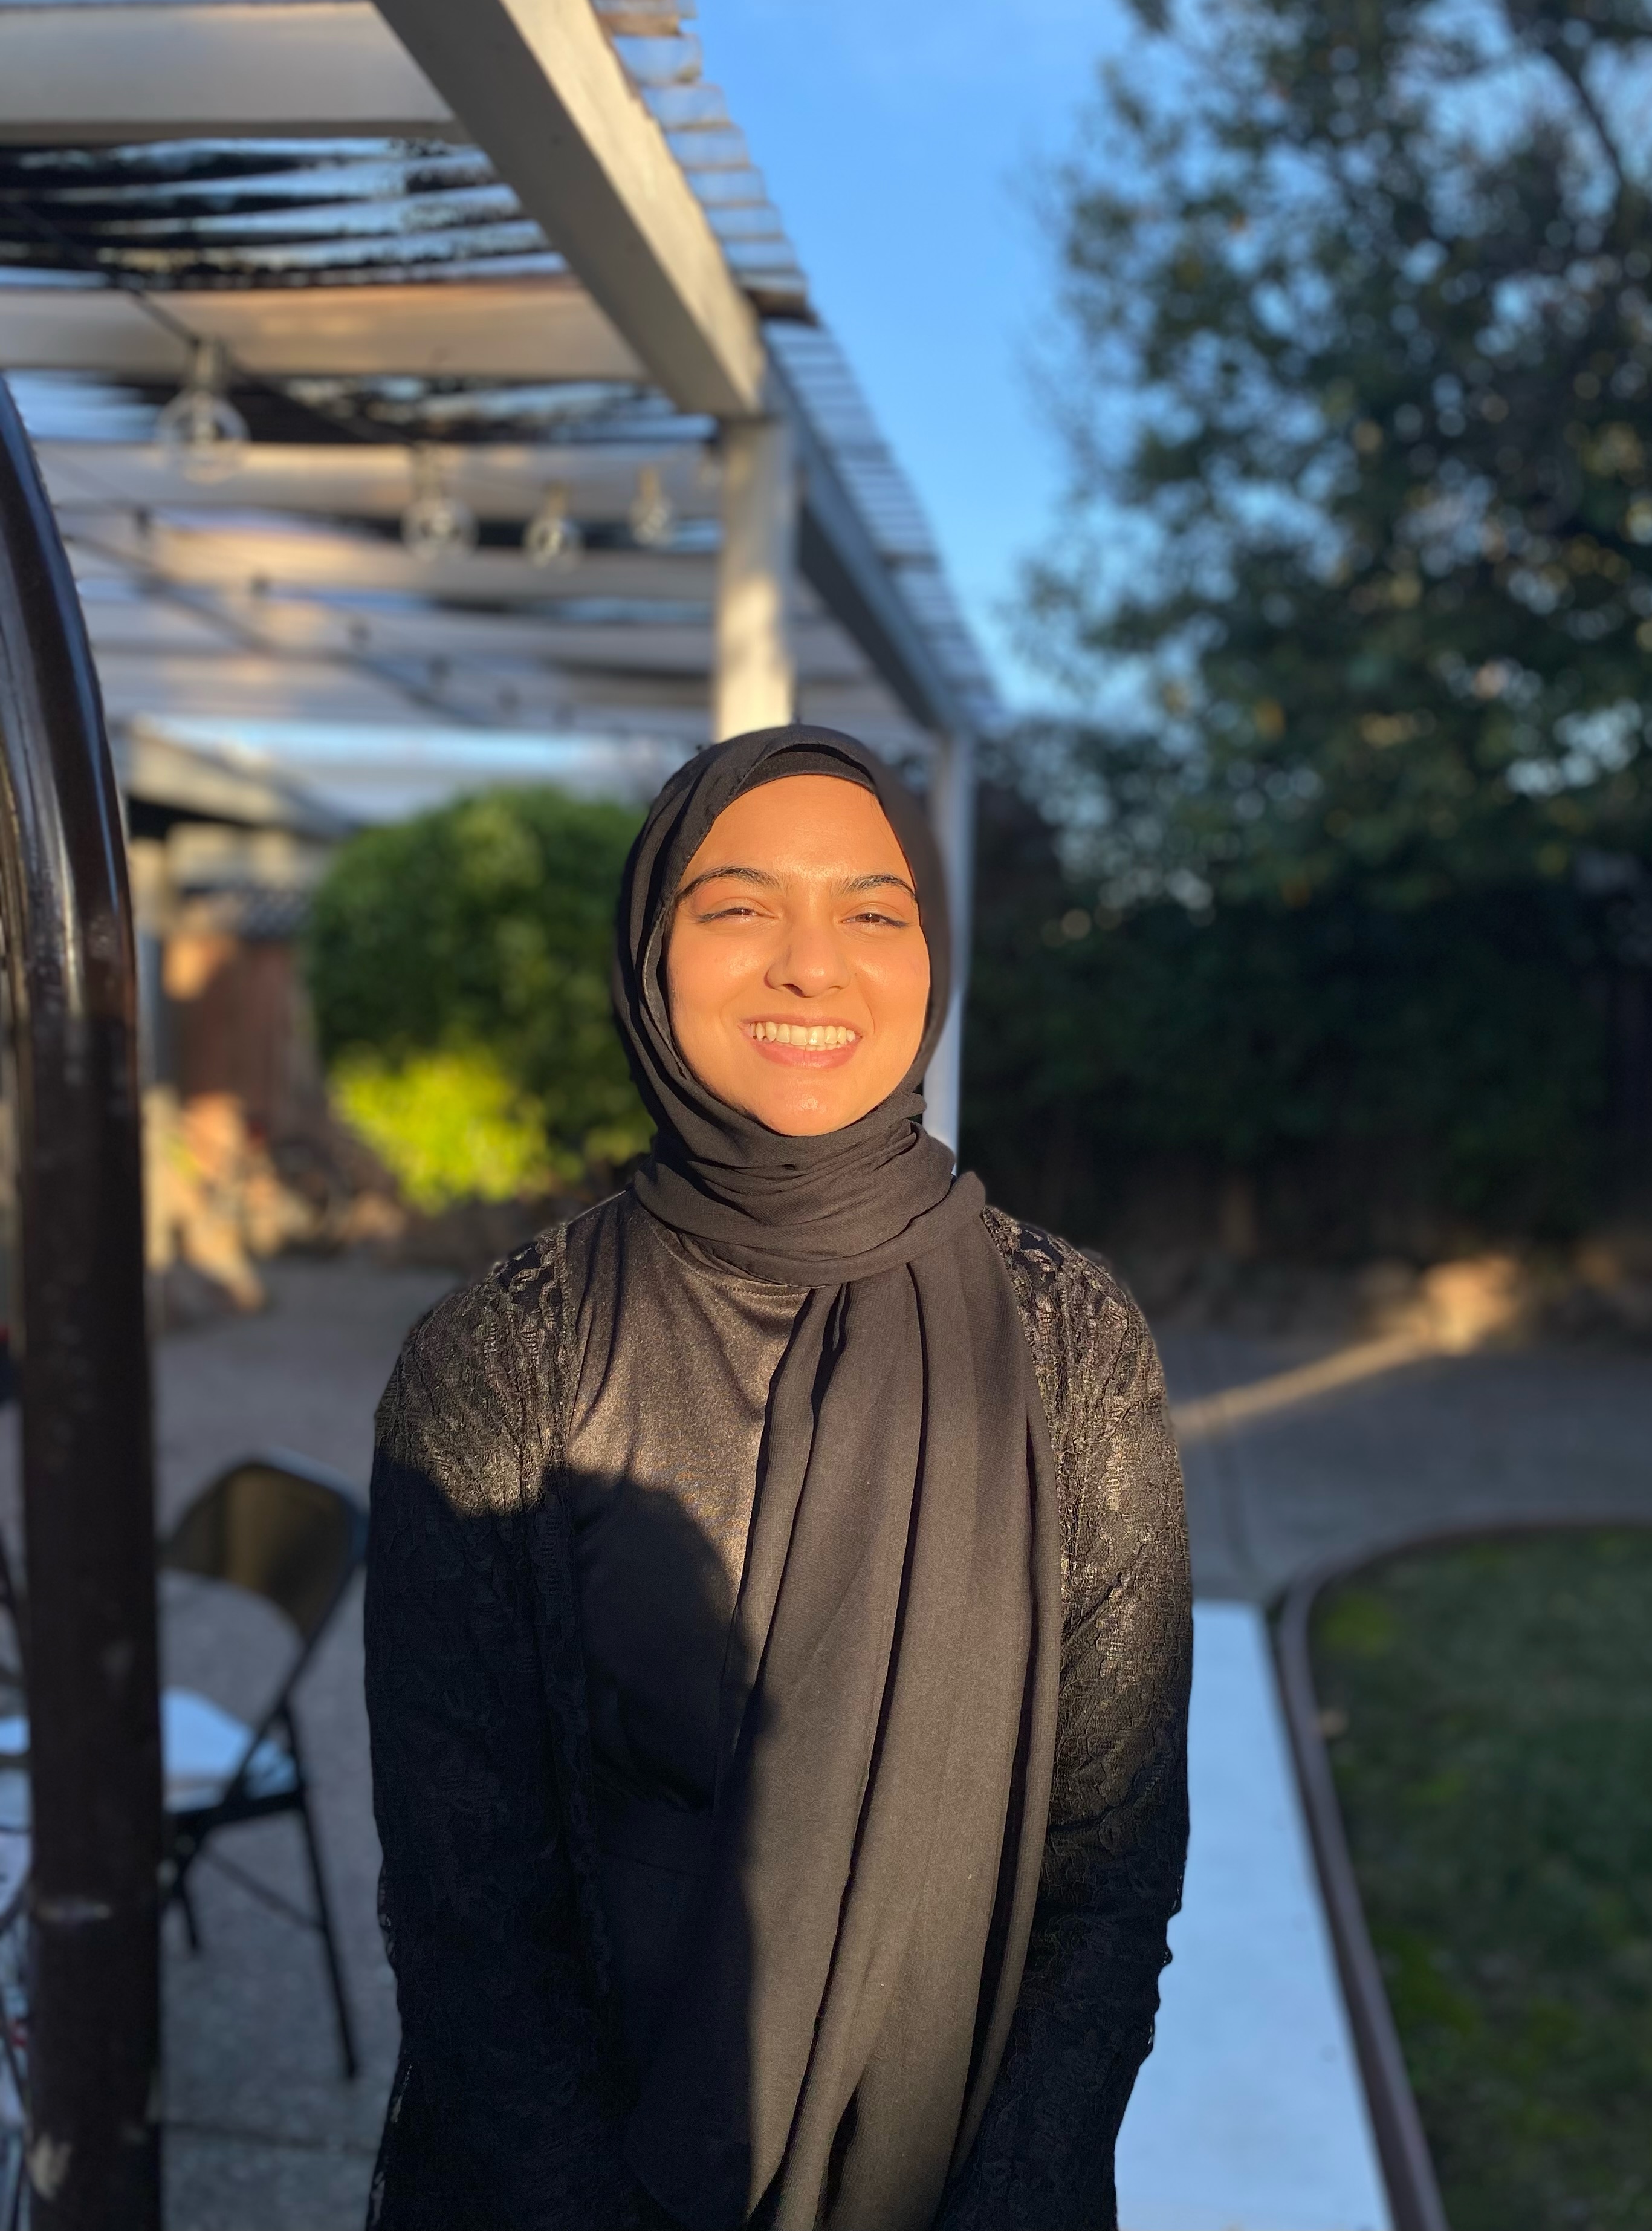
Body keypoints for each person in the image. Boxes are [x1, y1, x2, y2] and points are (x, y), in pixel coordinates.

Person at [364, 726, 1191, 2231]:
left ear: (932, 958)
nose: (814, 965)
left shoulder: (1070, 1348)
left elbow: (1110, 1874)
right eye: (739, 907)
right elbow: (471, 1917)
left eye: (874, 912)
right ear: (648, 958)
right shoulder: (501, 1360)